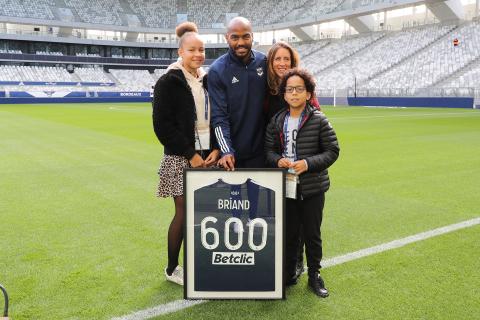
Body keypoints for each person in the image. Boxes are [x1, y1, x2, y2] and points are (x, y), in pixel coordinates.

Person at [152, 22, 220, 286]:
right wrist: (190, 153)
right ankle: (172, 268)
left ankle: (202, 261)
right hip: (182, 155)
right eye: (192, 50)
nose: (198, 54)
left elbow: (217, 117)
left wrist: (215, 148)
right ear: (181, 51)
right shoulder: (169, 80)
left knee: (206, 211)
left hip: (207, 154)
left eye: (201, 50)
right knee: (183, 210)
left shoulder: (208, 78)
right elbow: (162, 126)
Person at [265, 68, 339, 298]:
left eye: (299, 89)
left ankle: (315, 275)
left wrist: (308, 163)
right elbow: (268, 150)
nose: (294, 93)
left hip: (312, 188)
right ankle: (288, 272)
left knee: (312, 234)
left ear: (308, 94)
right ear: (284, 94)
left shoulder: (318, 119)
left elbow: (333, 150)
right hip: (286, 187)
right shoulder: (277, 120)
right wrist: (278, 160)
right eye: (290, 89)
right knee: (289, 232)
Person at [265, 41, 321, 280]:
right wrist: (276, 158)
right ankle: (288, 266)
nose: (282, 63)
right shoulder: (268, 95)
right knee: (287, 222)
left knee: (307, 227)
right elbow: (269, 139)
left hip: (307, 177)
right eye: (277, 59)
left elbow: (325, 141)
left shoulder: (312, 110)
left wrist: (308, 161)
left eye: (286, 59)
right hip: (280, 167)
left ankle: (306, 269)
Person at [208, 17, 267, 231]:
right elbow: (218, 116)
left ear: (252, 36)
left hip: (260, 143)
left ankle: (252, 217)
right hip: (233, 144)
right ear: (227, 38)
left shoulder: (264, 62)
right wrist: (226, 150)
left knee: (254, 186)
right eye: (235, 37)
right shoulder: (217, 70)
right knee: (234, 187)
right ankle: (235, 219)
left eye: (245, 36)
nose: (240, 42)